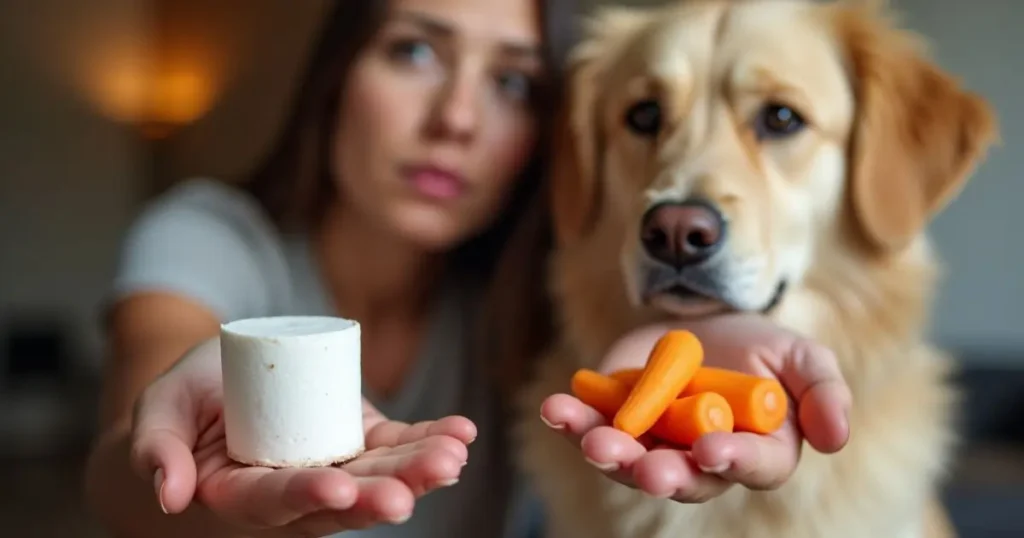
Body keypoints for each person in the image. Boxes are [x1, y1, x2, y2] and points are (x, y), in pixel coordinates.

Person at [82, 0, 852, 536]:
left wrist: (700, 345)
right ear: (337, 72)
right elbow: (124, 472)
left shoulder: (529, 297)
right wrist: (175, 452)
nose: (456, 117)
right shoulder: (209, 236)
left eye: (512, 83)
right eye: (415, 51)